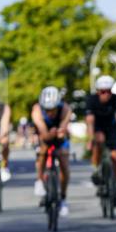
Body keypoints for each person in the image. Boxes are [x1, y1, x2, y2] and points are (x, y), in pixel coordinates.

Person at [85, 75, 116, 206]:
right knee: (98, 140)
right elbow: (90, 121)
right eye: (103, 91)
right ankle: (97, 168)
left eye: (109, 91)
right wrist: (90, 139)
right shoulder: (91, 100)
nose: (106, 94)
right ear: (98, 91)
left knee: (115, 158)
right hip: (97, 128)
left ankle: (115, 188)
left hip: (112, 128)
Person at [32, 87, 72, 217]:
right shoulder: (37, 111)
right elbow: (43, 133)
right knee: (42, 152)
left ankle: (63, 198)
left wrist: (60, 132)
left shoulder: (65, 109)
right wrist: (49, 134)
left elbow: (63, 129)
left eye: (53, 109)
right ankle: (39, 181)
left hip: (60, 135)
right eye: (47, 109)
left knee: (64, 161)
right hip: (45, 134)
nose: (50, 113)